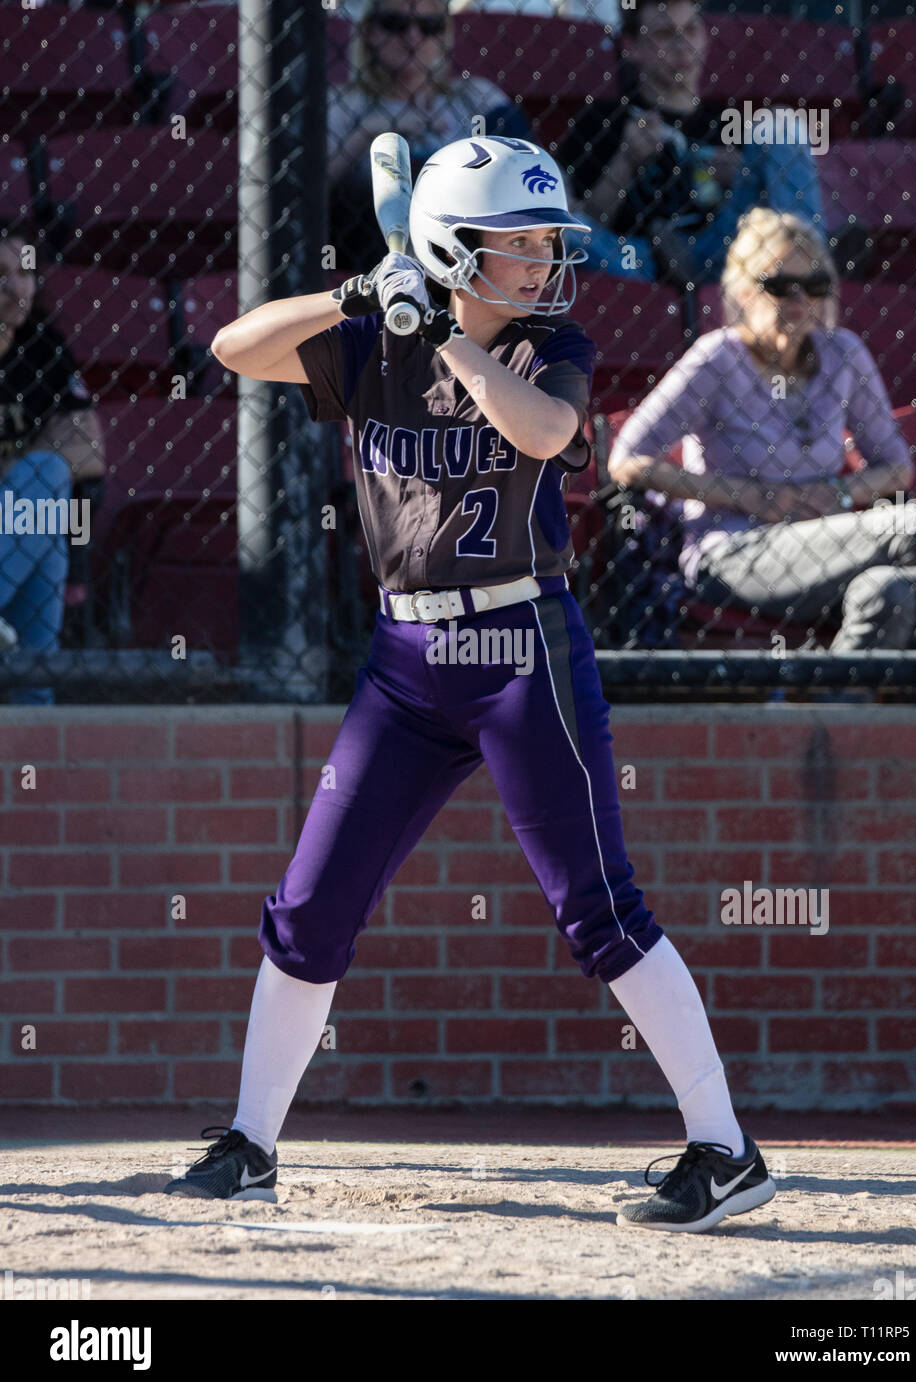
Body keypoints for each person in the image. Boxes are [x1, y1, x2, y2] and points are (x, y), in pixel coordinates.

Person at [165, 135, 777, 1234]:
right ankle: (251, 1141)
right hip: (403, 663)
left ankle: (726, 1149)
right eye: (520, 244)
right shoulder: (373, 342)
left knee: (599, 910)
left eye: (549, 241)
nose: (546, 261)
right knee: (310, 905)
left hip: (520, 652)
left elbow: (547, 432)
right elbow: (232, 345)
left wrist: (447, 330)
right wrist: (361, 291)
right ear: (454, 247)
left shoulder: (553, 347)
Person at [607, 207, 916, 654]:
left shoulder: (844, 353)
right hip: (735, 550)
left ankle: (831, 710)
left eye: (813, 287)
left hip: (824, 546)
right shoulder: (717, 358)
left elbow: (896, 469)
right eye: (779, 286)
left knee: (889, 593)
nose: (799, 300)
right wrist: (747, 495)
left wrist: (839, 494)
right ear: (743, 289)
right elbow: (627, 461)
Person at [557, 0, 823, 285]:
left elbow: (774, 205)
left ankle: (812, 258)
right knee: (562, 230)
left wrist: (745, 174)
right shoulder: (603, 120)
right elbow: (589, 221)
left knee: (779, 121)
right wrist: (626, 161)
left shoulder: (730, 125)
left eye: (691, 29)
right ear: (632, 46)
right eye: (665, 34)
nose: (682, 45)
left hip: (730, 249)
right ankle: (815, 257)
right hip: (640, 259)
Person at [328, 0, 530, 272]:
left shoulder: (476, 97)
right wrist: (371, 133)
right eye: (395, 24)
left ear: (444, 35)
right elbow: (309, 194)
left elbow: (535, 173)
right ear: (369, 31)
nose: (413, 37)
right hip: (375, 246)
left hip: (484, 236)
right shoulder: (345, 104)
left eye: (429, 26)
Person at [0, 224, 105, 703]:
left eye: (24, 273)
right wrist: (38, 448)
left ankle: (32, 714)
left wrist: (23, 467)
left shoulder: (44, 347)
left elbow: (89, 453)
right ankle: (33, 714)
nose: (14, 287)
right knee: (45, 512)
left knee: (47, 478)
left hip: (16, 516)